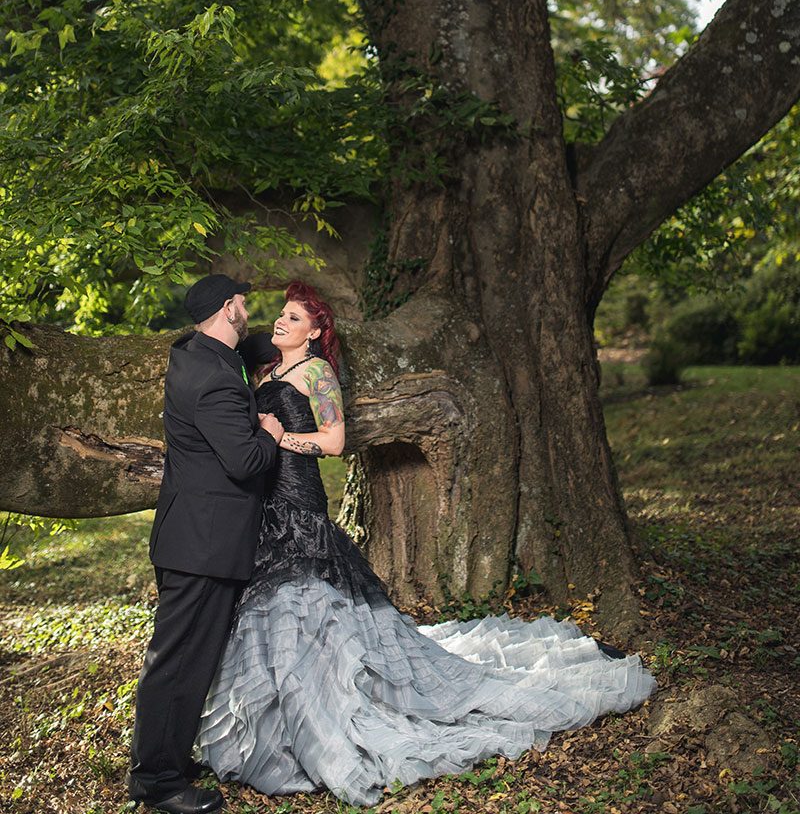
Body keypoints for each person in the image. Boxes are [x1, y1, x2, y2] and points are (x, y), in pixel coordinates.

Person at [195, 281, 657, 808]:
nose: (281, 321)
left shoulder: (317, 373)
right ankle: (278, 721)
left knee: (308, 609)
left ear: (317, 332)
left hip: (299, 505)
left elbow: (336, 442)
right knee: (271, 614)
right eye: (281, 314)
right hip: (265, 510)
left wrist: (281, 439)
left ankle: (323, 719)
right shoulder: (267, 371)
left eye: (295, 317)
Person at [128, 274, 285, 814]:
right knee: (177, 664)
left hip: (191, 534)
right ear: (226, 307)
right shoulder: (214, 380)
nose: (248, 308)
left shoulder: (196, 354)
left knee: (189, 660)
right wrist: (269, 431)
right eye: (242, 301)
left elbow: (248, 349)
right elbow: (246, 461)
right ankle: (157, 782)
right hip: (203, 543)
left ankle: (167, 759)